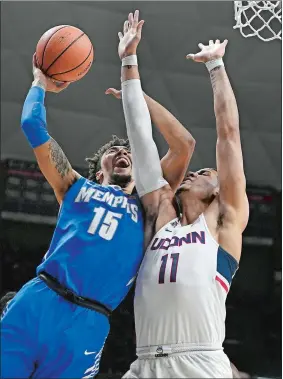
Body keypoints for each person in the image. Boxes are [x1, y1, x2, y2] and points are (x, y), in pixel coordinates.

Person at [0, 11, 194, 379]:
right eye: (114, 151)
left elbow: (183, 145)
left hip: (88, 324)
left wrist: (135, 96)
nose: (124, 152)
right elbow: (31, 125)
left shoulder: (151, 205)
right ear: (98, 166)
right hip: (37, 301)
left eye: (130, 152)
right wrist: (41, 80)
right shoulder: (73, 187)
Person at [123, 38, 249, 378]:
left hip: (200, 361)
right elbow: (143, 148)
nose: (193, 173)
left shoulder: (223, 221)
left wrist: (215, 66)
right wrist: (130, 76)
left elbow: (228, 134)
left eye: (206, 173)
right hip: (144, 362)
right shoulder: (161, 219)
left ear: (221, 188)